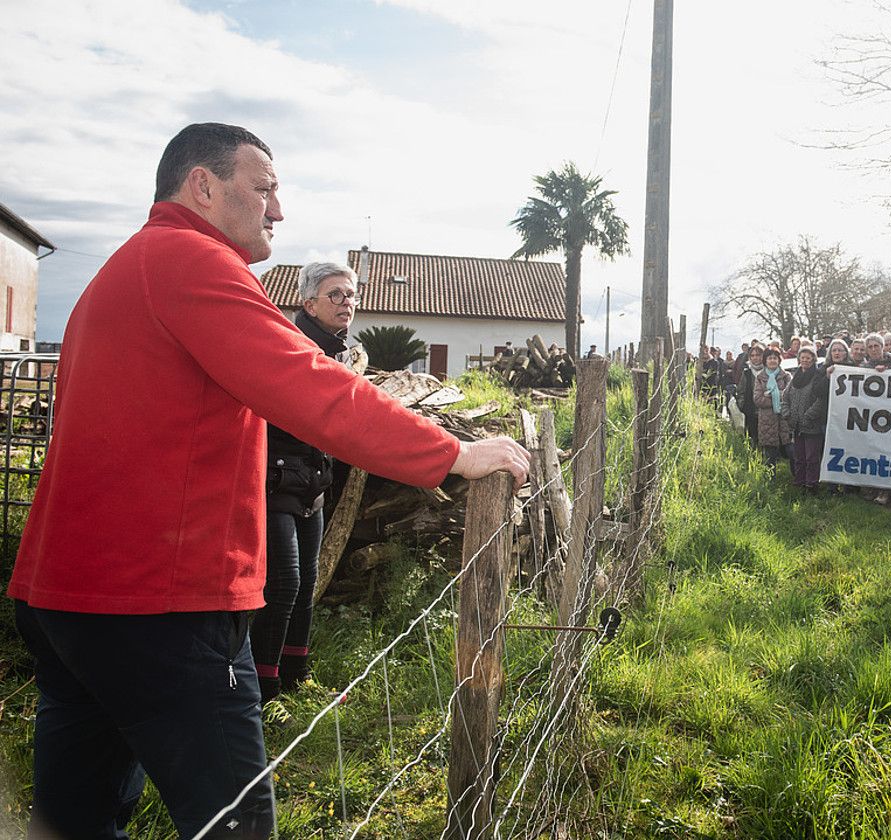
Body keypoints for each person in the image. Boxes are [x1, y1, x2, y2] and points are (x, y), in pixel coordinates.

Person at [6, 123, 530, 839]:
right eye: (263, 189)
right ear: (204, 186)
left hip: (69, 598)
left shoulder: (124, 268)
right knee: (234, 825)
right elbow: (310, 386)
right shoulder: (195, 263)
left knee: (75, 821)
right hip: (158, 605)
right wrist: (451, 455)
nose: (277, 211)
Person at [250, 261, 358, 705]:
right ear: (307, 302)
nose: (346, 303)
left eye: (351, 295)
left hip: (312, 483)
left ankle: (296, 676)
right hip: (277, 482)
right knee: (283, 584)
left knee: (306, 581)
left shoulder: (339, 351)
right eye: (336, 294)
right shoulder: (293, 346)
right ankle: (263, 689)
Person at [782, 346, 828, 493]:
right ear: (799, 359)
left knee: (812, 457)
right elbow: (785, 397)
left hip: (811, 424)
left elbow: (820, 400)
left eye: (808, 358)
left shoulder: (817, 376)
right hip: (796, 425)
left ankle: (812, 483)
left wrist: (809, 416)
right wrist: (786, 413)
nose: (805, 360)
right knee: (799, 456)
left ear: (813, 359)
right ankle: (799, 481)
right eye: (803, 358)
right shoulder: (795, 377)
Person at [753, 348, 792, 466]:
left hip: (785, 418)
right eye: (769, 358)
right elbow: (758, 399)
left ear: (779, 360)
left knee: (792, 451)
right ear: (765, 361)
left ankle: (798, 479)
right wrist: (777, 397)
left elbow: (791, 395)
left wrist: (774, 395)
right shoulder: (760, 378)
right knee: (770, 454)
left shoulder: (786, 376)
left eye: (775, 358)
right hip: (767, 420)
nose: (772, 361)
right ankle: (770, 480)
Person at [738, 343, 765, 448]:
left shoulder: (769, 371)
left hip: (766, 411)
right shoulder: (747, 373)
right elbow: (740, 391)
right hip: (750, 410)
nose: (755, 358)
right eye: (752, 355)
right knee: (752, 437)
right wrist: (741, 405)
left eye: (758, 355)